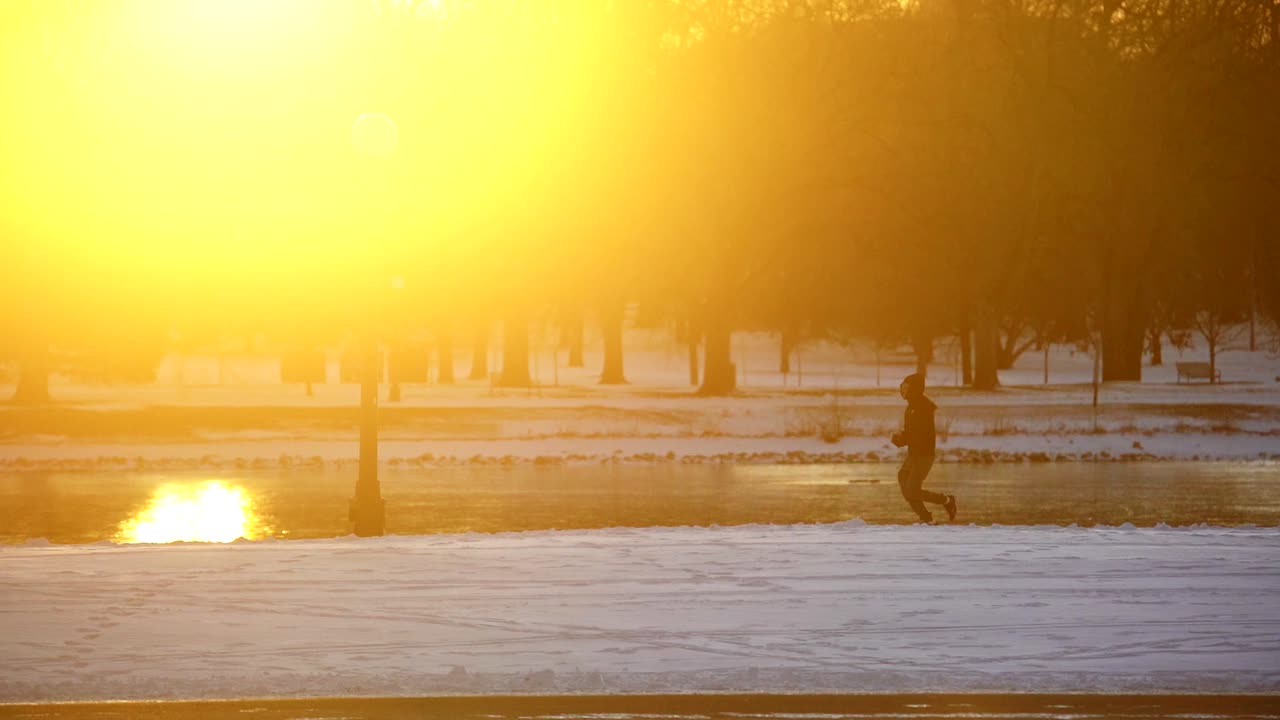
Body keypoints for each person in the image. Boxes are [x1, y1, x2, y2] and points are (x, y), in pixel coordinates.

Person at [891, 373, 956, 524]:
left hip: (924, 455)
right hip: (914, 453)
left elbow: (920, 434)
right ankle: (927, 517)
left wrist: (902, 440)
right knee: (903, 479)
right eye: (902, 388)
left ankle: (945, 502)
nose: (903, 391)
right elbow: (910, 431)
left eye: (906, 388)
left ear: (914, 389)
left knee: (912, 490)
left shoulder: (923, 407)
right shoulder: (912, 406)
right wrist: (901, 437)